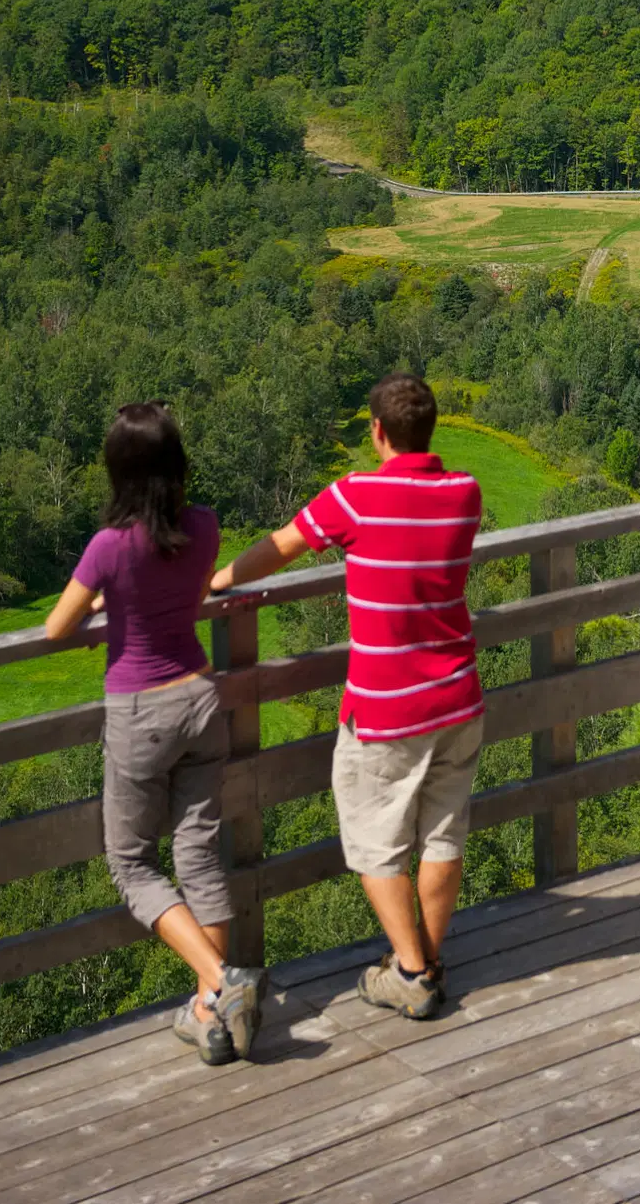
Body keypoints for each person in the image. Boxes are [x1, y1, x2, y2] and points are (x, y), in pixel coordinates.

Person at [211, 372, 483, 1020]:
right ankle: (428, 959)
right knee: (444, 834)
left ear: (377, 432)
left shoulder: (355, 495)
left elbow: (283, 544)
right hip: (457, 697)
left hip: (386, 705)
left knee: (376, 839)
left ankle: (412, 972)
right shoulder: (464, 491)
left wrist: (220, 579)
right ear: (431, 429)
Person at [44, 403, 264, 1067]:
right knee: (198, 857)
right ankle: (210, 1015)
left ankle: (224, 984)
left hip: (141, 712)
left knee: (132, 862)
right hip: (201, 697)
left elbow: (56, 629)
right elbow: (185, 592)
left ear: (119, 471)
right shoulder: (204, 526)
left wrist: (109, 597)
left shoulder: (108, 546)